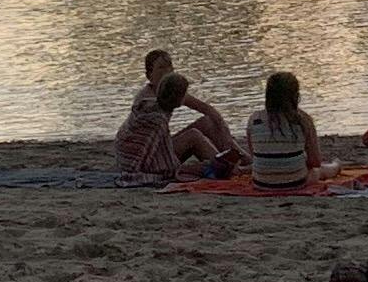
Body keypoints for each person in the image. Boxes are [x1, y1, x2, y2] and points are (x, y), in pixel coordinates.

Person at [113, 49, 240, 182]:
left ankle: (243, 159)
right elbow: (147, 144)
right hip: (141, 159)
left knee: (207, 122)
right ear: (149, 75)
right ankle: (227, 168)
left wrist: (225, 134)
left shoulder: (170, 91)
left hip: (157, 150)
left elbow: (207, 109)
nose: (167, 71)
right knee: (194, 135)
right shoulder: (148, 103)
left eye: (170, 67)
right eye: (161, 67)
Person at [243, 71, 325, 191]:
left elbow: (255, 155)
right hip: (295, 183)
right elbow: (315, 161)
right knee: (319, 171)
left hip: (261, 183)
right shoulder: (302, 120)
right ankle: (336, 166)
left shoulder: (254, 119)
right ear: (295, 96)